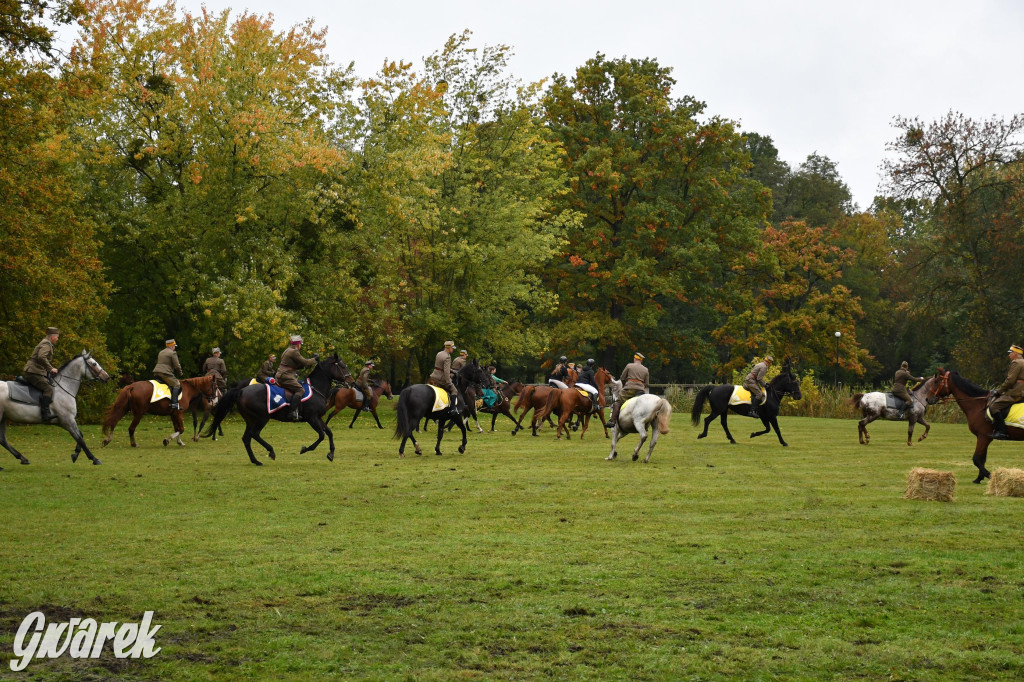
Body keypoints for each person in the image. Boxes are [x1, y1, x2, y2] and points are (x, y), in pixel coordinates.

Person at [23, 326, 61, 422]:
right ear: (52, 337)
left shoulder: (45, 342)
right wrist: (51, 368)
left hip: (35, 370)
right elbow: (41, 357)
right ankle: (45, 413)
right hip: (33, 371)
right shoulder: (46, 344)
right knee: (48, 388)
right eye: (57, 336)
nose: (57, 339)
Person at [275, 335, 318, 420]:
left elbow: (291, 364)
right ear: (298, 344)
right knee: (300, 390)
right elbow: (305, 362)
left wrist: (298, 368)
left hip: (283, 374)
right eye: (301, 344)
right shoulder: (294, 351)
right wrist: (315, 359)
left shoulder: (287, 350)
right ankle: (292, 412)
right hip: (285, 376)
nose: (300, 346)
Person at [989, 344, 1024, 440]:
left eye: (1010, 353)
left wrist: (999, 392)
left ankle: (1002, 432)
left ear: (1015, 353)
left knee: (994, 406)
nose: (1009, 355)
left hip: (1015, 392)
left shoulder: (1016, 363)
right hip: (1022, 391)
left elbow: (1010, 381)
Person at [605, 353, 649, 429]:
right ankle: (646, 424)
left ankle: (612, 421)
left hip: (629, 389)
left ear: (635, 359)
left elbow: (622, 378)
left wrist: (625, 385)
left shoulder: (629, 366)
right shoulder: (645, 369)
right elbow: (647, 384)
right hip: (640, 391)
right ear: (641, 360)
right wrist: (641, 387)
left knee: (617, 402)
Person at [428, 340, 461, 415]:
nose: (453, 349)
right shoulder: (447, 357)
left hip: (434, 376)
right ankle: (453, 409)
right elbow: (446, 372)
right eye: (452, 348)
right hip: (441, 378)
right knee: (454, 390)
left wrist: (452, 370)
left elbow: (440, 366)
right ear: (449, 348)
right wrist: (449, 382)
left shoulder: (439, 353)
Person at [153, 338, 183, 410]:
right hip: (165, 373)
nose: (175, 348)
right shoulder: (172, 353)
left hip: (156, 372)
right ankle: (174, 403)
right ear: (172, 346)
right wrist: (180, 373)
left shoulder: (161, 352)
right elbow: (177, 365)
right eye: (174, 346)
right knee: (177, 384)